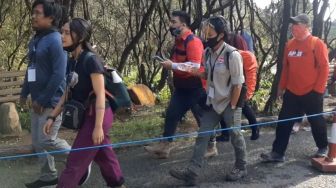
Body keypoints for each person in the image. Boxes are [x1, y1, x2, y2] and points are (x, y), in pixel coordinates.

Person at [43, 18, 125, 188]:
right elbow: (67, 93)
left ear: (79, 37)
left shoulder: (91, 60)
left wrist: (98, 126)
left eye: (67, 32)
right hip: (87, 114)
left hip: (98, 114)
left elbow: (101, 95)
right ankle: (118, 184)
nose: (62, 36)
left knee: (75, 161)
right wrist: (52, 116)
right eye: (62, 32)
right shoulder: (73, 60)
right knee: (103, 154)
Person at [169, 16, 247, 186]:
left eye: (210, 33)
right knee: (202, 136)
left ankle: (241, 166)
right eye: (205, 33)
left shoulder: (232, 55)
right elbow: (209, 75)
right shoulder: (208, 52)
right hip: (213, 102)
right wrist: (197, 72)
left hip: (229, 103)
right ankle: (192, 172)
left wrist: (233, 106)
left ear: (220, 35)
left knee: (235, 135)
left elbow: (238, 84)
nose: (206, 37)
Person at [261, 13, 329, 162]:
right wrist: (281, 87)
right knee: (284, 121)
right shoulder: (289, 44)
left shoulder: (316, 43)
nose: (293, 27)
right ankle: (277, 153)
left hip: (312, 91)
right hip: (292, 91)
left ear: (306, 27)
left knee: (316, 120)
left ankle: (323, 147)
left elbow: (324, 68)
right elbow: (286, 68)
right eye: (292, 25)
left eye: (297, 25)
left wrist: (318, 90)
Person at [144, 10, 207, 159]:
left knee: (202, 118)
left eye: (173, 22)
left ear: (183, 24)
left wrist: (172, 66)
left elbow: (194, 66)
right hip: (181, 87)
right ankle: (164, 147)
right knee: (171, 115)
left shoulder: (193, 41)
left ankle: (211, 146)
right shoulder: (178, 40)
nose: (170, 25)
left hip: (196, 87)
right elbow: (180, 62)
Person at [20, 1, 71, 187]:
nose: (33, 16)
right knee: (37, 142)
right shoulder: (36, 39)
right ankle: (48, 175)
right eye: (33, 12)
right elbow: (31, 68)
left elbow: (59, 74)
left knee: (46, 140)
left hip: (52, 102)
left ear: (50, 18)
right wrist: (25, 92)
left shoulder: (57, 40)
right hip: (37, 101)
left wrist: (42, 99)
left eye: (38, 13)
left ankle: (78, 158)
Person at [216, 32, 259, 142]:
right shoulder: (222, 54)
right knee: (222, 108)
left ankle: (255, 130)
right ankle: (225, 134)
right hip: (229, 86)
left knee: (244, 107)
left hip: (240, 86)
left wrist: (249, 91)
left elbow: (251, 74)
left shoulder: (243, 55)